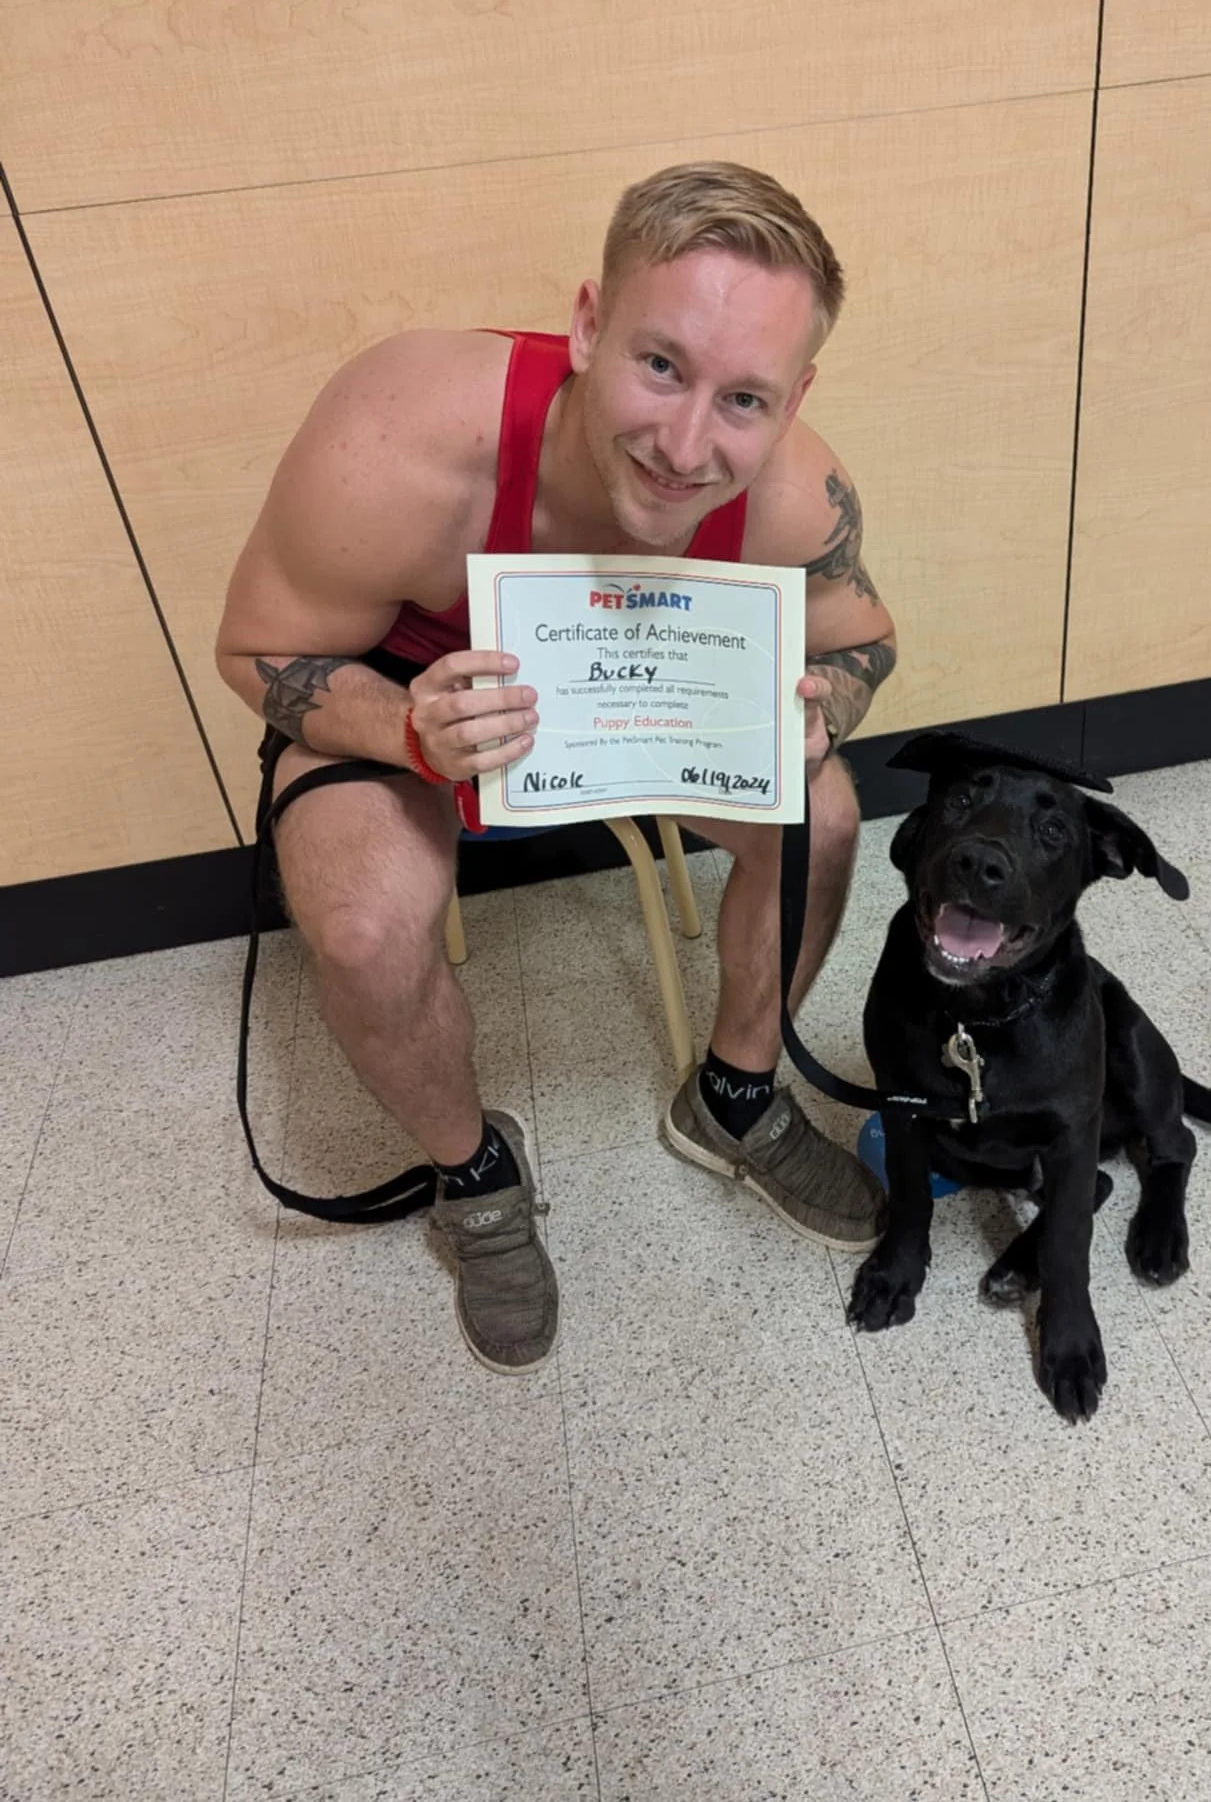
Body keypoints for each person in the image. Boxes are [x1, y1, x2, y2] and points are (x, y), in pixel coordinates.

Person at [216, 162, 898, 1372]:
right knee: (366, 932)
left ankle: (737, 1097)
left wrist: (820, 709)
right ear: (589, 324)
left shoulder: (799, 492)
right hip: (411, 703)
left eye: (744, 397)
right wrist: (407, 729)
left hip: (647, 700)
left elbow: (865, 638)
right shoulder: (404, 431)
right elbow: (257, 646)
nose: (688, 446)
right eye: (660, 366)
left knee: (827, 817)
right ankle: (472, 1172)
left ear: (796, 397)